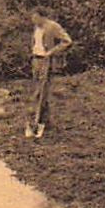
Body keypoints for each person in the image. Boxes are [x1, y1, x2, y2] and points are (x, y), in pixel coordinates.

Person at [25, 9, 72, 139]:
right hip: (36, 60)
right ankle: (46, 121)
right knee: (38, 91)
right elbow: (35, 43)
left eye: (35, 18)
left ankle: (37, 123)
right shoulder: (36, 27)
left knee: (41, 92)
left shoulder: (53, 26)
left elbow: (67, 41)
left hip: (46, 61)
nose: (33, 20)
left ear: (42, 17)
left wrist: (52, 52)